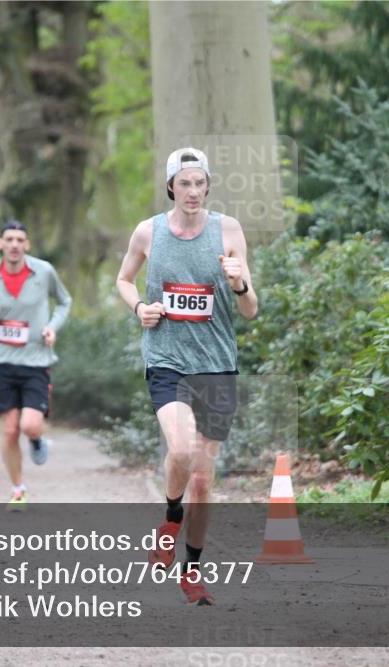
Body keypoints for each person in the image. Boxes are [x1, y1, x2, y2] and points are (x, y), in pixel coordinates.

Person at [116, 147, 259, 605]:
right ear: (171, 187)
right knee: (180, 450)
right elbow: (123, 279)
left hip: (216, 365)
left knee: (203, 480)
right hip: (167, 360)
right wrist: (140, 307)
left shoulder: (228, 230)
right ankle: (171, 518)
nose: (193, 191)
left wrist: (239, 283)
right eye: (185, 183)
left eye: (200, 183)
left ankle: (192, 570)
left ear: (208, 186)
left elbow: (250, 309)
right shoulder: (149, 232)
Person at [0, 220, 71, 510]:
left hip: (36, 361)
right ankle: (18, 489)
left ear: (27, 245)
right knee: (9, 430)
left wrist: (52, 327)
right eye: (9, 239)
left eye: (19, 240)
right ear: (0, 244)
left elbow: (64, 302)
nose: (14, 244)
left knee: (30, 425)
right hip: (1, 362)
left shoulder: (44, 271)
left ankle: (37, 439)